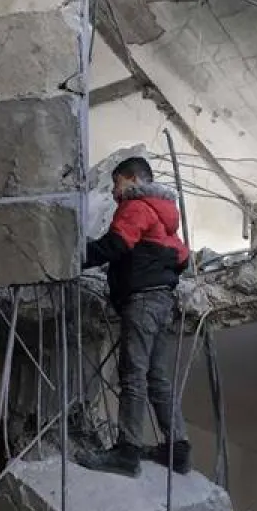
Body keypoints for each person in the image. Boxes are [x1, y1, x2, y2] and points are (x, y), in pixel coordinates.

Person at [76, 156, 191, 478]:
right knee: (157, 377)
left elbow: (116, 244)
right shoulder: (165, 219)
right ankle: (178, 449)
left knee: (133, 375)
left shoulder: (136, 205)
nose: (114, 191)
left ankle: (127, 453)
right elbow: (181, 259)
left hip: (141, 302)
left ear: (132, 180)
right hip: (162, 303)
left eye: (116, 183)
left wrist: (75, 257)